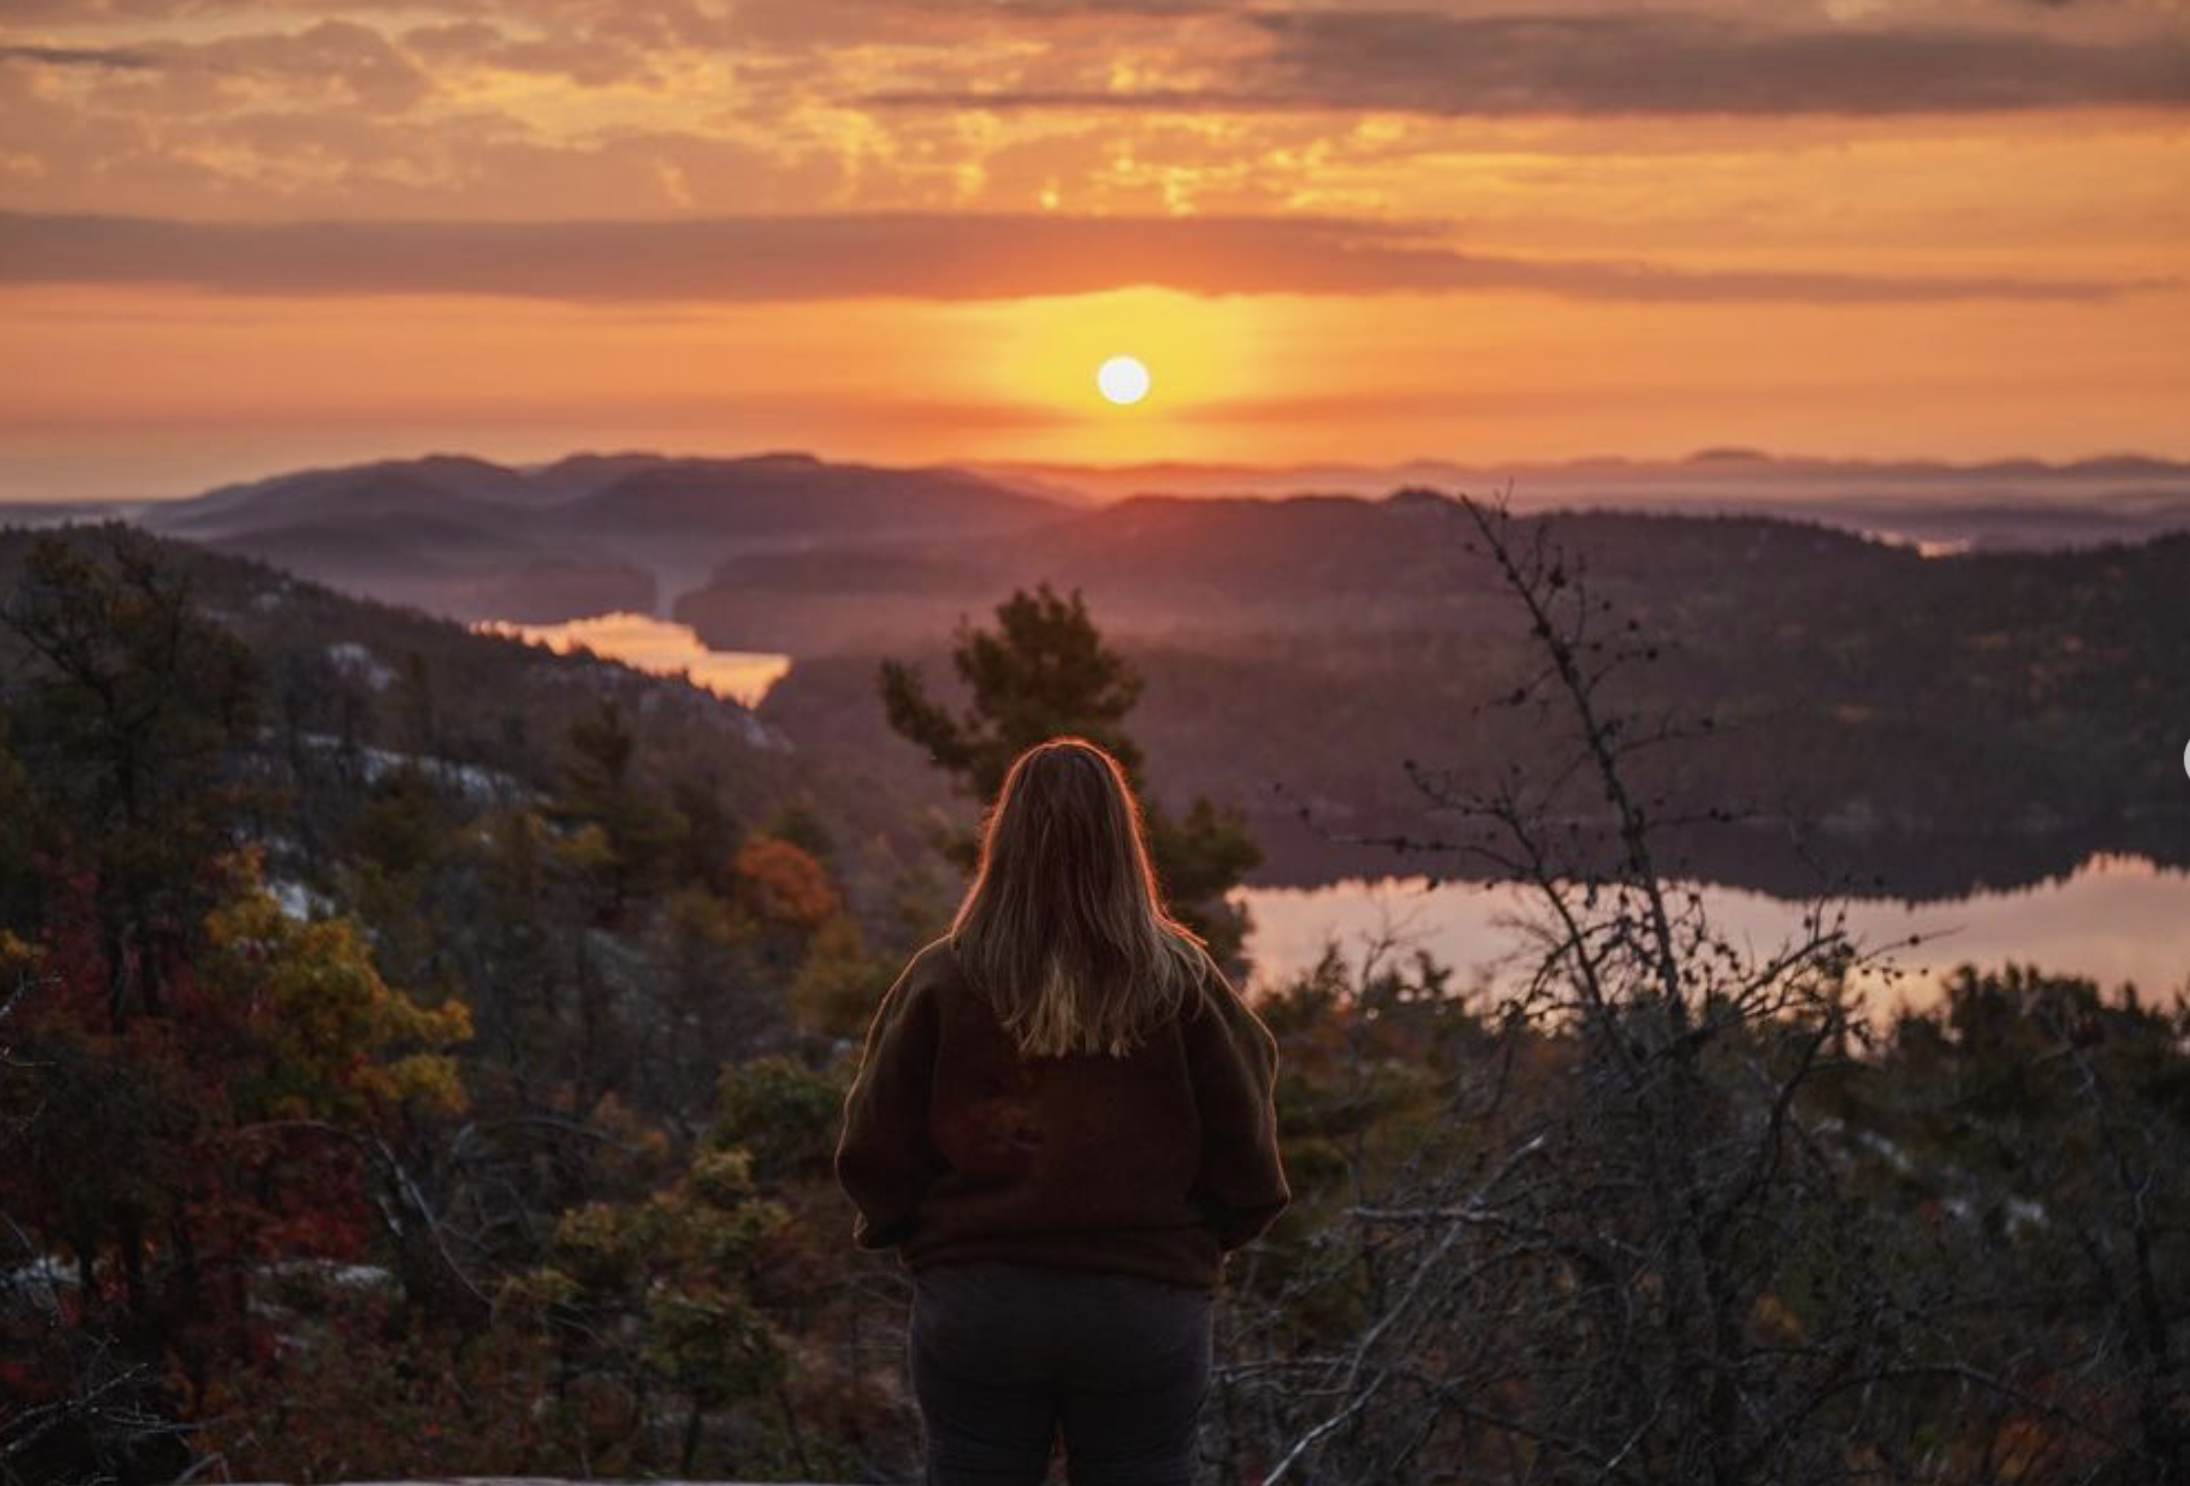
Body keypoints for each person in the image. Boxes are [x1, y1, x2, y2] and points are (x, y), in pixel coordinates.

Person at [835, 735, 1290, 1486]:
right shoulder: (1183, 985)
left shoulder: (943, 979)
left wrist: (927, 1244)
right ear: (1123, 842)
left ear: (1005, 840)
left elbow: (872, 1150)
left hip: (980, 1306)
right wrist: (1193, 1250)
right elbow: (1249, 1159)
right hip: (1144, 1310)